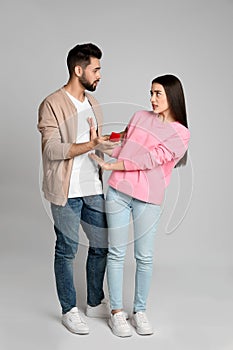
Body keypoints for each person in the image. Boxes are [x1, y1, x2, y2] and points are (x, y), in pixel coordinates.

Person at [89, 74, 190, 337]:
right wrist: (98, 142)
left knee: (144, 256)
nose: (152, 98)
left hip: (148, 198)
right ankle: (116, 313)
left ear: (172, 96)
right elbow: (124, 145)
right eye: (151, 93)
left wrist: (112, 166)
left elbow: (149, 158)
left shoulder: (181, 133)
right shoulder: (139, 118)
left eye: (158, 93)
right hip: (118, 193)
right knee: (116, 252)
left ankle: (140, 311)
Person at [37, 43, 112, 335]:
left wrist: (107, 143)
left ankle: (94, 301)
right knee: (66, 250)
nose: (100, 75)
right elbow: (52, 149)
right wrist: (92, 144)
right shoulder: (52, 104)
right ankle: (69, 309)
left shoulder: (93, 103)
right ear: (78, 70)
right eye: (96, 69)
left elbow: (93, 143)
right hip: (66, 192)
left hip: (93, 187)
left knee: (102, 244)